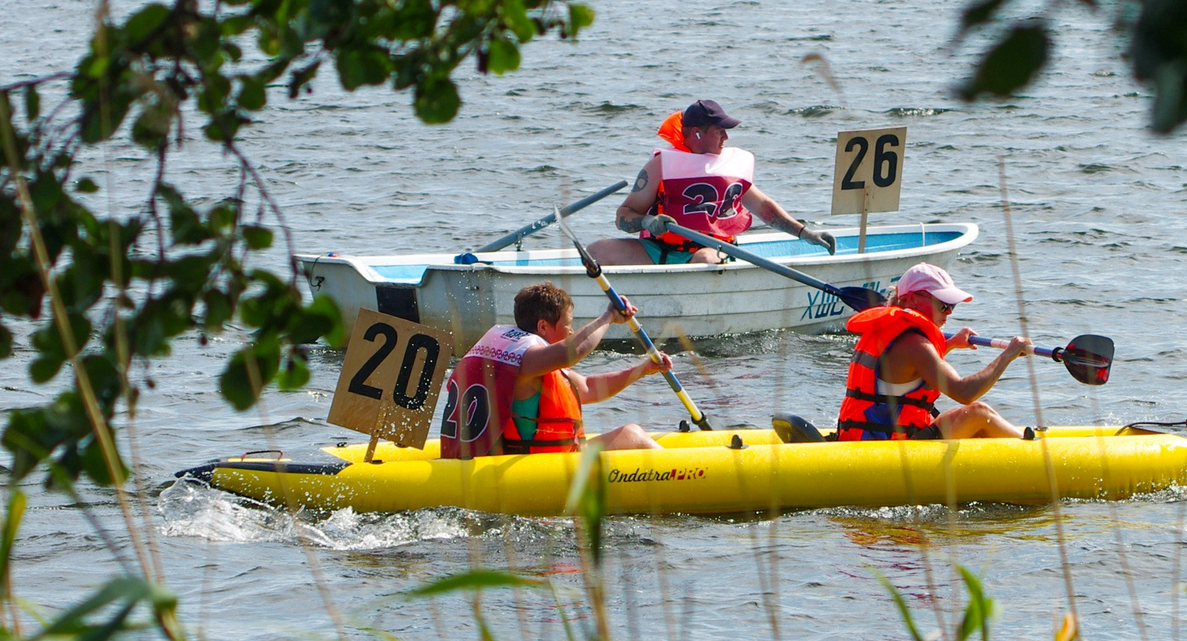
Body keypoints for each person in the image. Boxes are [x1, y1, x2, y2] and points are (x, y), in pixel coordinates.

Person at [586, 98, 837, 266]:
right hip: (660, 249)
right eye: (719, 131)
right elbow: (623, 216)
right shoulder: (661, 166)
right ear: (697, 133)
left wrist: (805, 233)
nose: (726, 137)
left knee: (704, 259)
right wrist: (647, 222)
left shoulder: (731, 165)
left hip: (712, 251)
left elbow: (764, 209)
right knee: (596, 250)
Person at [442, 282, 666, 456]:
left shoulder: (508, 348)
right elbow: (573, 351)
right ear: (543, 326)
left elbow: (587, 387)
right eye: (568, 324)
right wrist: (608, 316)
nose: (571, 331)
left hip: (503, 454)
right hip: (530, 464)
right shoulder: (529, 361)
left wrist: (642, 369)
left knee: (630, 432)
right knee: (632, 434)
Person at [834, 263, 1033, 441]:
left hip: (864, 436)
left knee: (970, 415)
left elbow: (904, 371)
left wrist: (951, 344)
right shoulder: (914, 343)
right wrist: (1008, 355)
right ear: (911, 299)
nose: (949, 312)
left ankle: (1024, 444)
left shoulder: (891, 334)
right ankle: (1034, 454)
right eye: (943, 305)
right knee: (978, 413)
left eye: (952, 306)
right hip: (889, 447)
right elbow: (965, 392)